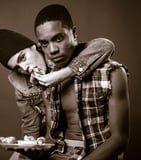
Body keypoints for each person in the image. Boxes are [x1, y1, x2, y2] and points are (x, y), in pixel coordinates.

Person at [0, 28, 115, 160]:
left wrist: (62, 74)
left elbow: (105, 45)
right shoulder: (23, 85)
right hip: (51, 144)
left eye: (23, 57)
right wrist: (29, 145)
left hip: (83, 142)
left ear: (36, 47)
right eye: (17, 68)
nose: (25, 68)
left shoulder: (58, 54)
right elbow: (31, 127)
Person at [33, 4, 130, 160]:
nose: (52, 50)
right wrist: (36, 149)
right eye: (45, 43)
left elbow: (119, 140)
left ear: (74, 34)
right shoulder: (49, 80)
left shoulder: (112, 73)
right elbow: (52, 137)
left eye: (58, 38)